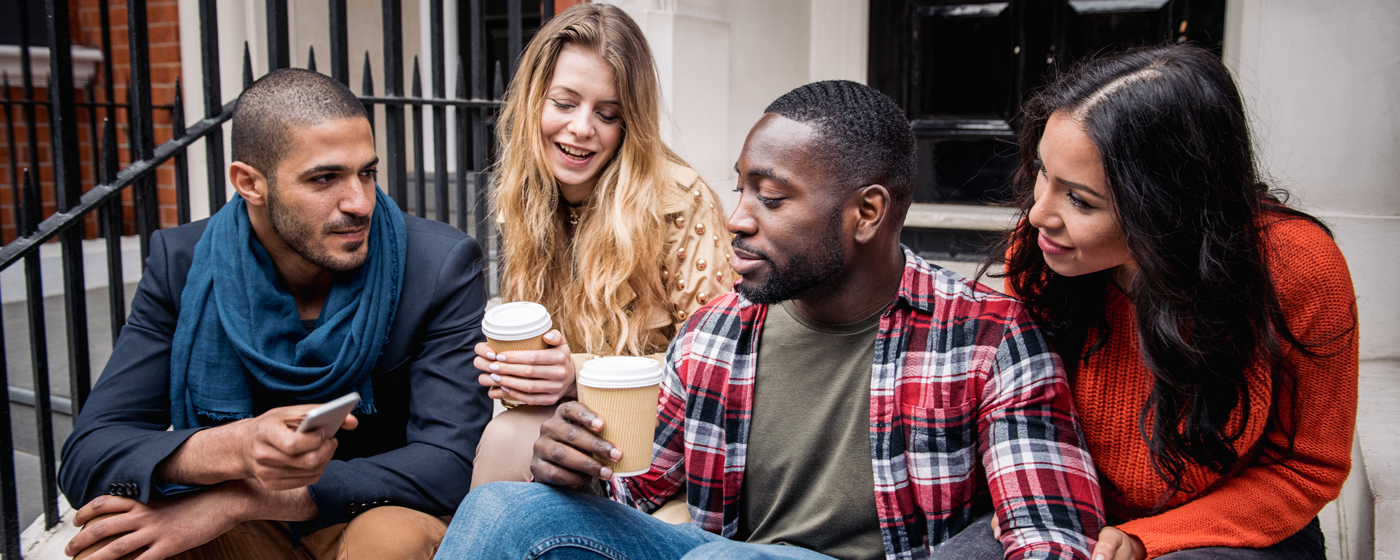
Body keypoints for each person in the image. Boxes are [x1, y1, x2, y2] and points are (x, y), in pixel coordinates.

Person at [435, 80, 1106, 560]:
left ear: (867, 213)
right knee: (503, 508)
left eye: (771, 197)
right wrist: (578, 468)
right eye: (741, 186)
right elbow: (638, 487)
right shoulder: (720, 330)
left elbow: (1052, 534)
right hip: (720, 553)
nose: (737, 217)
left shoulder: (989, 338)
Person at [58, 68, 493, 560]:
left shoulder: (437, 265)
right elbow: (87, 455)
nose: (360, 202)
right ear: (250, 183)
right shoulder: (182, 263)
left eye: (366, 172)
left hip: (366, 512)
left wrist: (242, 499)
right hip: (244, 527)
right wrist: (233, 447)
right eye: (325, 178)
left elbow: (450, 462)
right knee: (122, 535)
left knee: (392, 542)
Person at [986, 45, 1357, 559]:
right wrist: (1033, 500)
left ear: (1165, 205)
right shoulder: (1046, 253)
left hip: (1234, 526)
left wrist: (1149, 540)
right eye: (1042, 173)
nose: (1036, 215)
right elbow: (1021, 412)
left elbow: (1306, 468)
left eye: (1080, 200)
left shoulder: (1299, 268)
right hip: (1072, 504)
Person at [469, 3, 733, 488]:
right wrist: (518, 372)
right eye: (565, 103)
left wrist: (575, 374)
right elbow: (540, 368)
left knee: (508, 443)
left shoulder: (677, 199)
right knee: (506, 435)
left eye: (607, 113)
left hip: (662, 447)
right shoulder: (523, 199)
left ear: (629, 123)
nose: (582, 128)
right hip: (566, 433)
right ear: (534, 101)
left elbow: (717, 365)